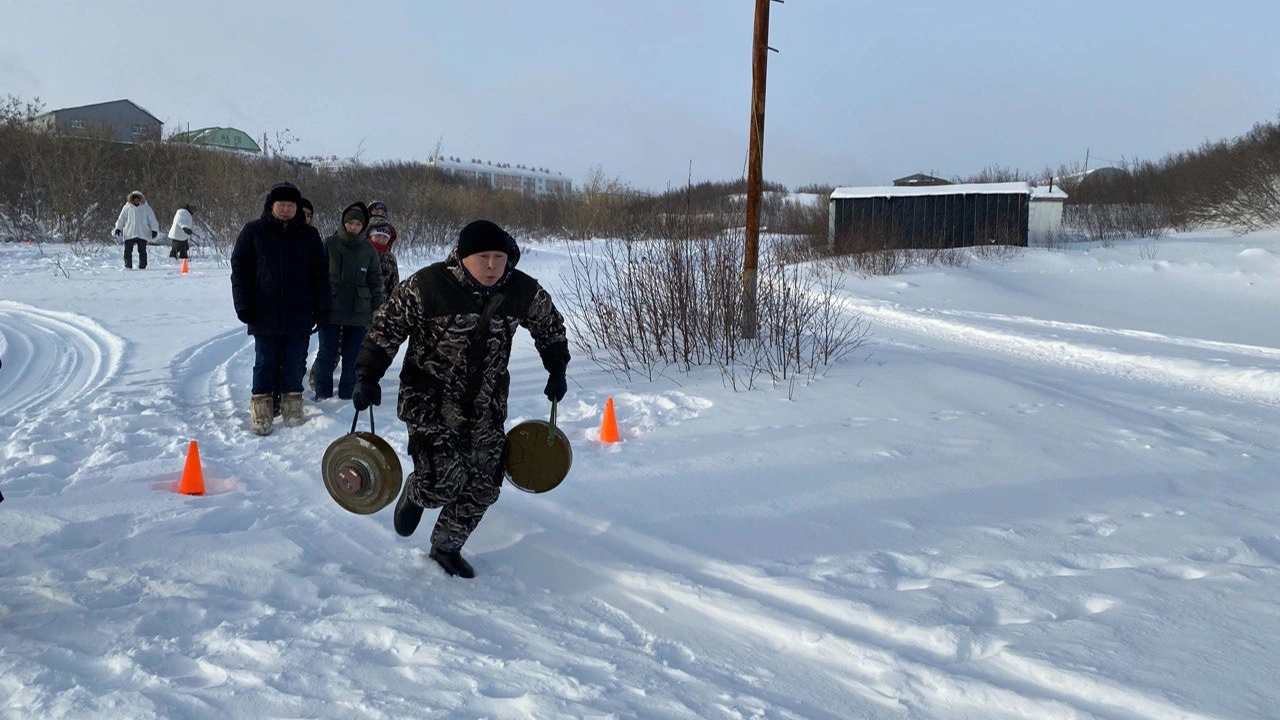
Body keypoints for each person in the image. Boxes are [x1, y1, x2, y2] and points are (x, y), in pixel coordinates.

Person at [353, 219, 567, 578]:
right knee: (443, 480)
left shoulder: (520, 290)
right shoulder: (430, 285)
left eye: (499, 258)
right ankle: (419, 492)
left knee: (484, 484)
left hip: (486, 405)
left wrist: (557, 367)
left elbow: (549, 326)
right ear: (464, 256)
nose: (491, 266)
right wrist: (367, 375)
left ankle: (446, 546)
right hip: (429, 402)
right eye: (483, 257)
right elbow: (387, 327)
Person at [230, 182, 331, 435]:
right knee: (265, 362)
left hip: (299, 314)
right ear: (271, 206)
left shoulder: (309, 236)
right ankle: (262, 411)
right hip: (264, 312)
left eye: (291, 205)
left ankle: (292, 406)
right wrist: (243, 304)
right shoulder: (253, 232)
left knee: (295, 362)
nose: (286, 209)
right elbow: (239, 270)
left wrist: (322, 306)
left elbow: (320, 275)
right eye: (281, 205)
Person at [313, 202, 384, 400]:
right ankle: (322, 394)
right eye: (350, 223)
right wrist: (317, 303)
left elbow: (375, 281)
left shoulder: (369, 251)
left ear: (363, 227)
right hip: (331, 308)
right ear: (343, 223)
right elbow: (317, 276)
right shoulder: (330, 244)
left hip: (358, 311)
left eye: (358, 224)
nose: (353, 227)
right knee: (326, 353)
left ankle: (347, 394)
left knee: (353, 355)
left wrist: (378, 308)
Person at [113, 190, 159, 269]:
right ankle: (128, 266)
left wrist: (154, 230)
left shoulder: (146, 208)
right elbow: (121, 219)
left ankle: (142, 266)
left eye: (138, 198)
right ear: (132, 199)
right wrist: (118, 228)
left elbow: (153, 220)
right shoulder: (127, 208)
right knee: (127, 251)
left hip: (142, 233)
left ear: (141, 199)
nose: (136, 200)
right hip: (129, 233)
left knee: (142, 251)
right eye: (134, 199)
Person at [368, 220, 400, 299]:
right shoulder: (361, 252)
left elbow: (394, 286)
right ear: (371, 235)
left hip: (382, 303)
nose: (381, 240)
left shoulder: (390, 258)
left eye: (385, 237)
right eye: (378, 235)